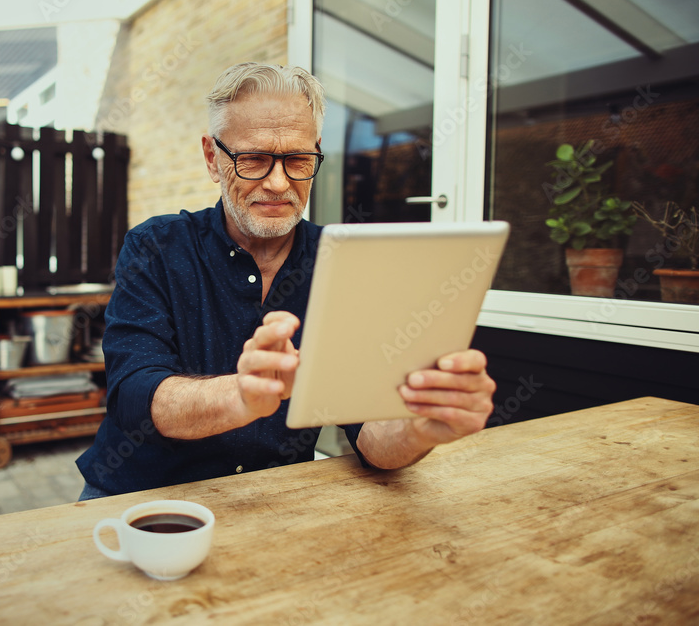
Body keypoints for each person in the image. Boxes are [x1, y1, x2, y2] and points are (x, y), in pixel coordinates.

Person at [75, 62, 495, 499]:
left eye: (297, 160)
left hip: (273, 499)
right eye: (253, 159)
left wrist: (420, 429)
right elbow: (132, 394)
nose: (278, 183)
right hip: (141, 497)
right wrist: (240, 396)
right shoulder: (155, 247)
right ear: (212, 158)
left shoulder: (344, 264)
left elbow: (372, 438)